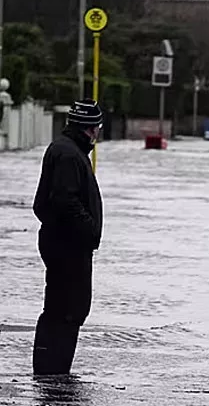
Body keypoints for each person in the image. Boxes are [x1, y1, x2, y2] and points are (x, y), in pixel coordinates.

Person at [31, 99, 104, 376]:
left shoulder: (66, 150)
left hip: (64, 242)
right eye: (97, 127)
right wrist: (89, 230)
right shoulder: (69, 155)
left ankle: (52, 372)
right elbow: (65, 200)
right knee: (66, 311)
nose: (97, 133)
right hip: (68, 245)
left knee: (62, 309)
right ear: (90, 129)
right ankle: (52, 373)